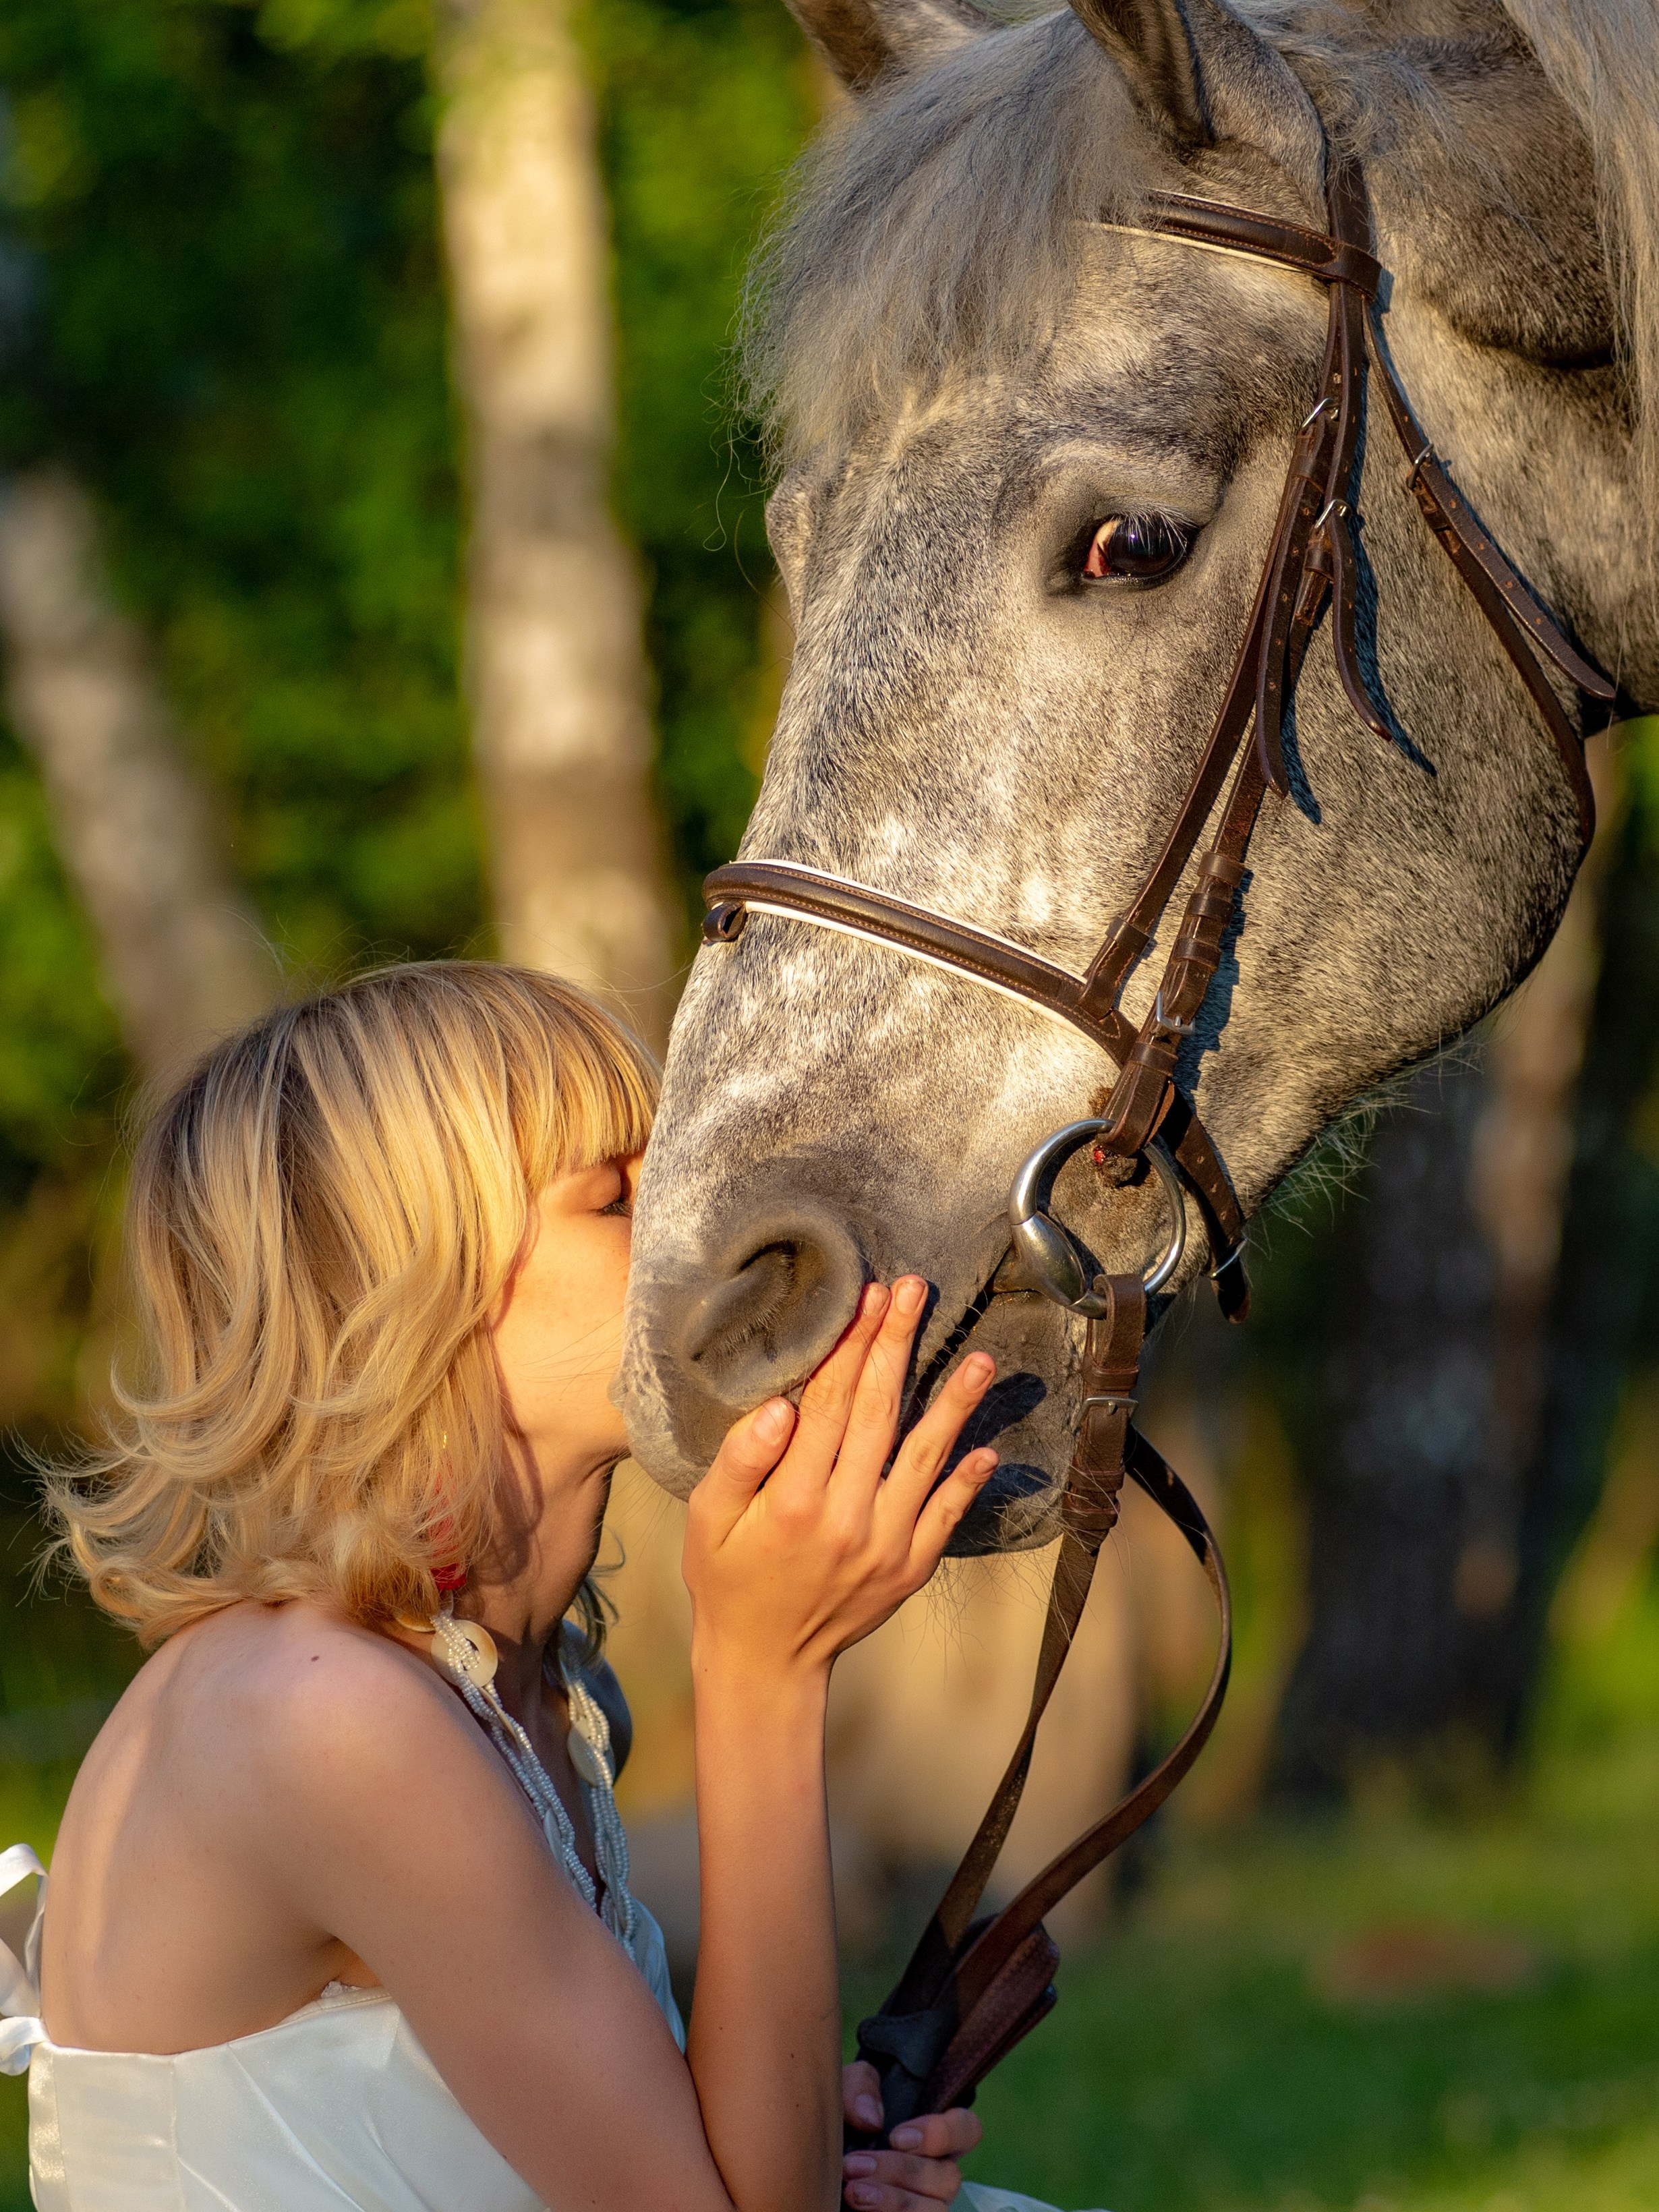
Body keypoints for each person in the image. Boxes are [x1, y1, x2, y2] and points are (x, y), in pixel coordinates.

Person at [0, 963, 1083, 2212]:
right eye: (617, 1197)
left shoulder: (534, 1685)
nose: (695, 1230)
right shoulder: (325, 1721)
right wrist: (763, 1671)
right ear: (416, 1289)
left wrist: (794, 2131)